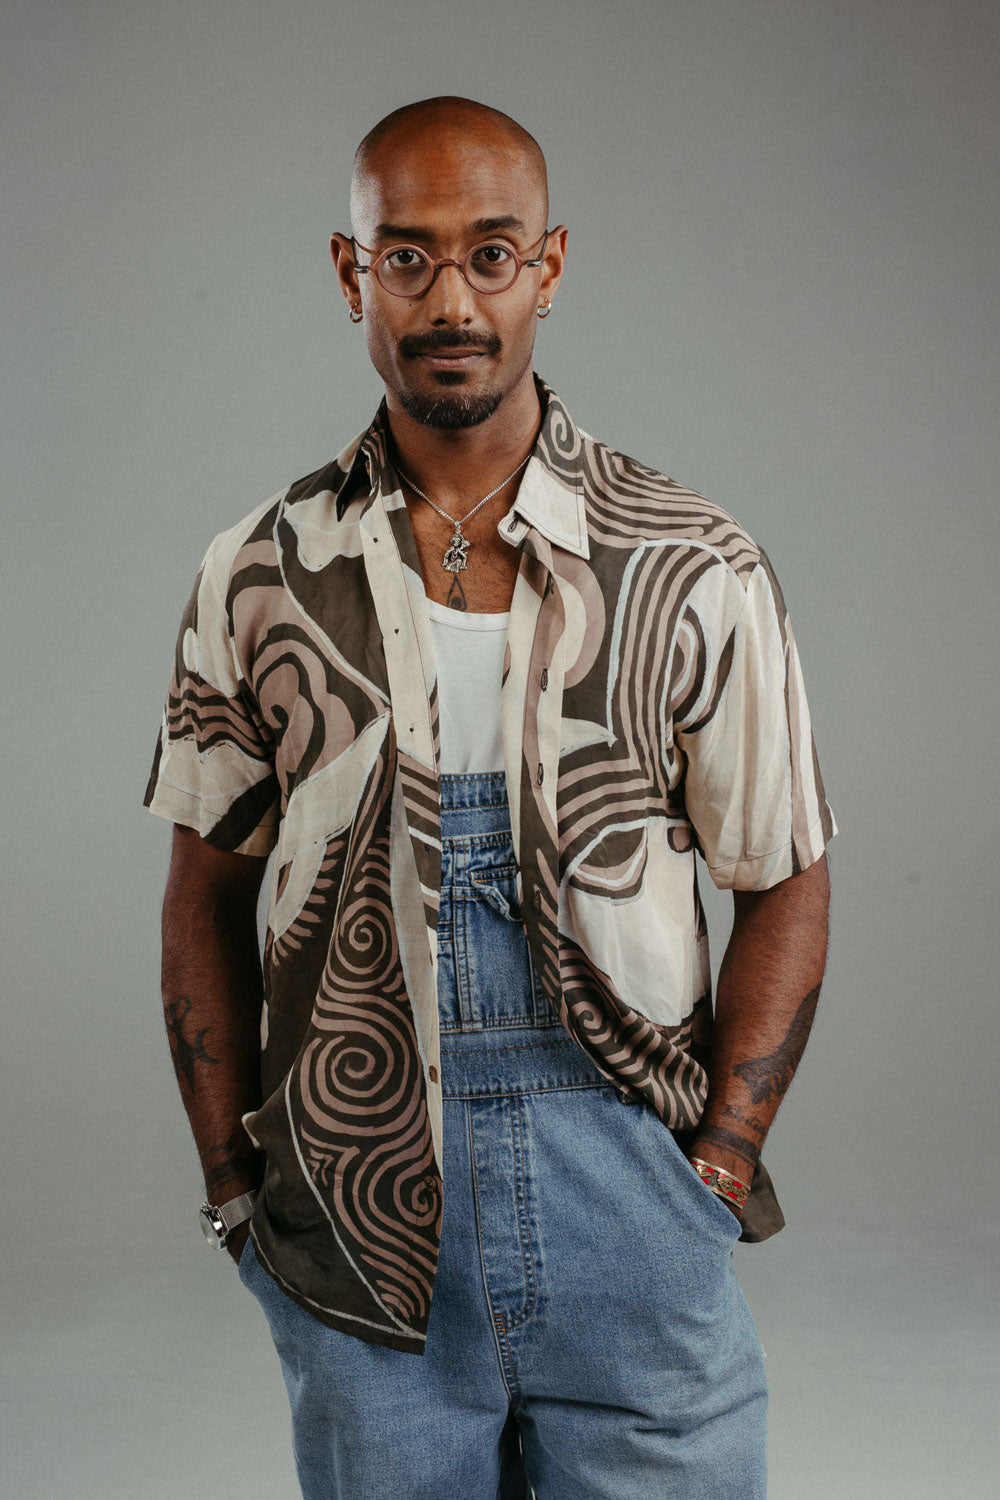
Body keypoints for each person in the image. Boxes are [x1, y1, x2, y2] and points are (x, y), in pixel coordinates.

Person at [145, 95, 836, 1500]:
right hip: (358, 1213)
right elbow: (202, 898)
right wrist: (236, 1195)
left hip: (631, 1203)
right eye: (407, 258)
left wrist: (714, 1173)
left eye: (491, 255)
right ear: (352, 274)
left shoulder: (691, 563)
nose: (451, 298)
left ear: (552, 265)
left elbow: (786, 880)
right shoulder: (257, 571)